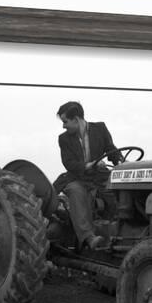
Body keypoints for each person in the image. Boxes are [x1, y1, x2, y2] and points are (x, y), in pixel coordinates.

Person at [53, 101, 121, 250]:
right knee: (75, 190)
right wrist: (87, 165)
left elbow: (111, 150)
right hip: (78, 177)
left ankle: (116, 234)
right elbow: (69, 163)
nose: (63, 126)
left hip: (99, 176)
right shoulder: (63, 139)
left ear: (76, 119)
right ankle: (88, 237)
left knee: (118, 191)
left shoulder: (100, 129)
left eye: (65, 122)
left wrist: (121, 162)